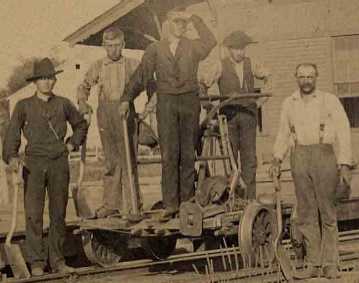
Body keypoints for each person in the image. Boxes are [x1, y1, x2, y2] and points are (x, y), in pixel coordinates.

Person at [119, 7, 217, 221]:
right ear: (167, 25)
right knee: (170, 154)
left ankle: (187, 202)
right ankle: (171, 204)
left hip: (190, 102)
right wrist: (127, 98)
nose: (181, 26)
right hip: (167, 104)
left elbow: (210, 41)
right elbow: (141, 75)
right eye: (177, 22)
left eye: (184, 23)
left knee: (188, 153)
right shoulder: (155, 49)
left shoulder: (192, 46)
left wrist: (196, 19)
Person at [2, 58, 88, 276]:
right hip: (33, 165)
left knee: (58, 213)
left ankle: (58, 261)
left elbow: (80, 125)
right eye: (42, 79)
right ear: (35, 82)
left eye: (50, 78)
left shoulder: (64, 103)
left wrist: (71, 143)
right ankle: (37, 263)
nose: (47, 82)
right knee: (33, 215)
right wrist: (12, 159)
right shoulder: (23, 106)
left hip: (59, 163)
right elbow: (12, 137)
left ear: (54, 80)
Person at [269, 63, 352, 279]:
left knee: (327, 212)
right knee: (306, 213)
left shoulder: (329, 100)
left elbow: (344, 132)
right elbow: (283, 134)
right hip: (299, 157)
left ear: (317, 77)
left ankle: (330, 264)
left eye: (310, 77)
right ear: (296, 78)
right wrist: (276, 159)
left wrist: (344, 163)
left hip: (324, 155)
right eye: (302, 77)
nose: (306, 81)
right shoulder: (289, 103)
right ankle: (314, 263)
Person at [77, 26, 142, 218]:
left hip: (125, 113)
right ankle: (111, 204)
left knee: (128, 160)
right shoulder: (98, 66)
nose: (113, 50)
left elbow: (149, 83)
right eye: (109, 46)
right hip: (105, 114)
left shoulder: (132, 64)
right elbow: (84, 86)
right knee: (111, 162)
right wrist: (82, 102)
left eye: (117, 46)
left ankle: (133, 205)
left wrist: (149, 108)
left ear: (123, 44)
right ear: (104, 46)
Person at [201, 30, 270, 200]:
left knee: (249, 160)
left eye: (243, 49)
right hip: (229, 118)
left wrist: (260, 102)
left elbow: (269, 77)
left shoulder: (251, 63)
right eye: (237, 49)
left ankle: (250, 200)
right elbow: (203, 83)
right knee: (230, 159)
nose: (241, 52)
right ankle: (234, 199)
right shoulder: (219, 65)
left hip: (248, 117)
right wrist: (209, 107)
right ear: (229, 49)